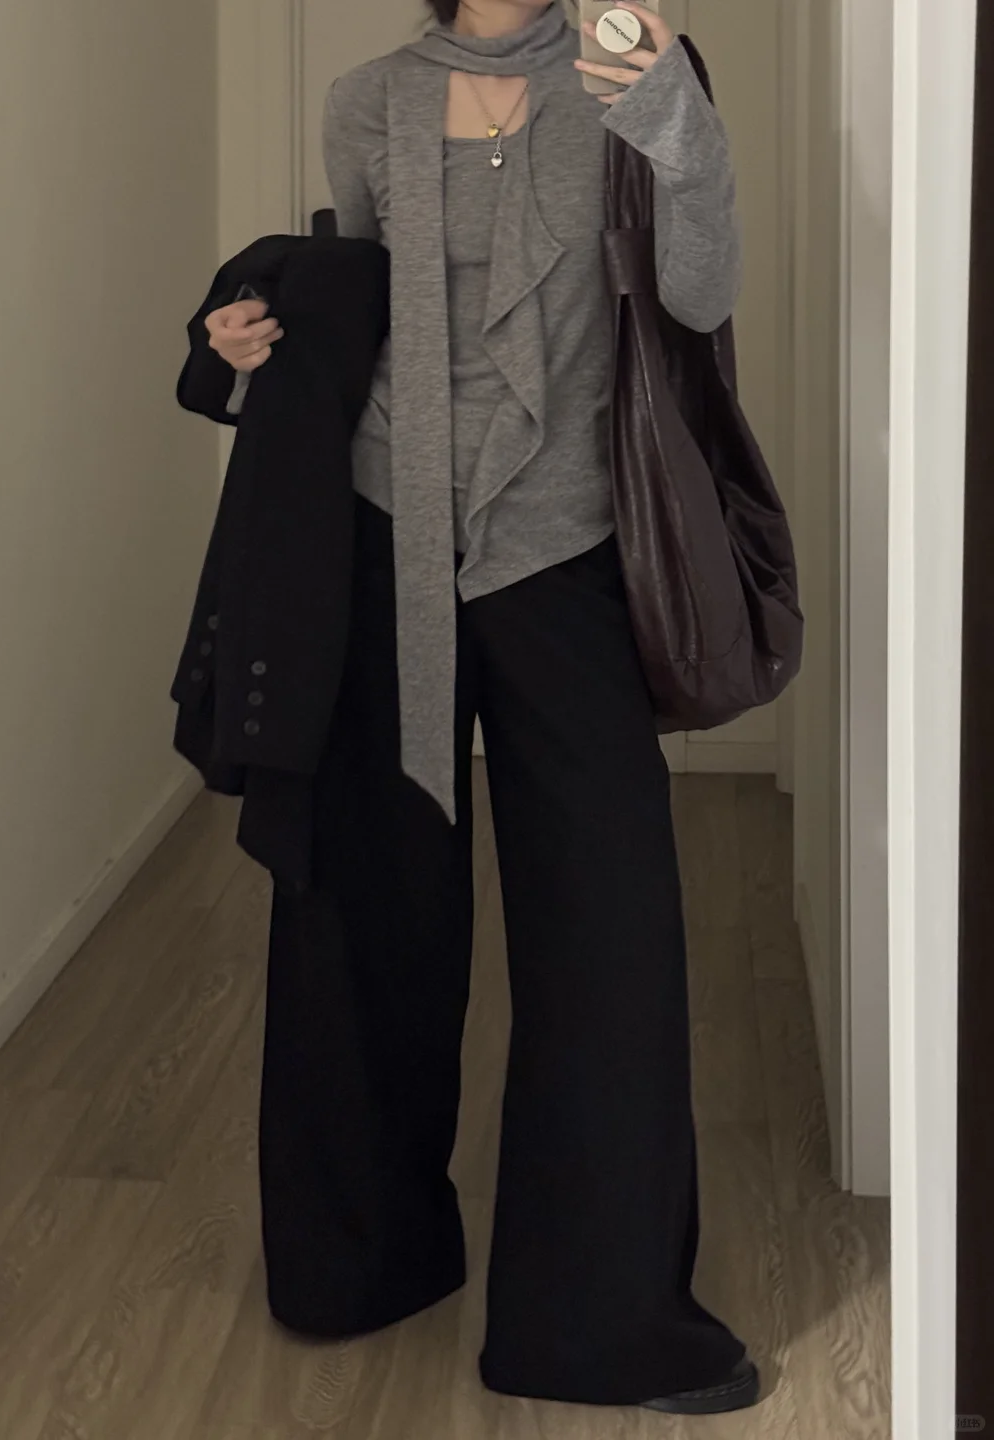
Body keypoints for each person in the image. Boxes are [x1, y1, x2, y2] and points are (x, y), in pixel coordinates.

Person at [204, 0, 759, 1416]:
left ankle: (602, 1324)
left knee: (610, 926)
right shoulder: (367, 97)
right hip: (380, 542)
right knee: (362, 909)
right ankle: (363, 1260)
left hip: (563, 551)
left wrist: (673, 125)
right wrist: (250, 342)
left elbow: (700, 297)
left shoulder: (636, 80)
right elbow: (359, 317)